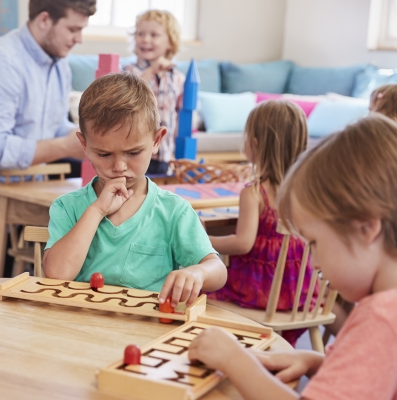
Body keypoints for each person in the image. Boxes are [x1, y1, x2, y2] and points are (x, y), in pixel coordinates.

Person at [188, 114, 397, 400]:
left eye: (314, 243)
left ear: (366, 228)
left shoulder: (381, 318)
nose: (313, 262)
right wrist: (316, 363)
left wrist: (233, 359)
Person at [43, 73, 226, 307]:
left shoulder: (173, 211)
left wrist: (198, 273)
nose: (119, 167)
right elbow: (58, 273)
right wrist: (97, 210)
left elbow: (217, 269)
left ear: (156, 140)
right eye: (104, 154)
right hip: (79, 327)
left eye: (133, 153)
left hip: (145, 331)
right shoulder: (67, 207)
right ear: (84, 146)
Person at [0, 0, 96, 274]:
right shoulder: (0, 61)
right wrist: (65, 145)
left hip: (22, 194)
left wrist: (87, 138)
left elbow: (54, 124)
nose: (79, 39)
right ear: (44, 20)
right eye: (73, 29)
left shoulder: (59, 64)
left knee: (21, 281)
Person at [206, 100, 315, 347]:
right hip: (297, 292)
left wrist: (205, 240)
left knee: (200, 289)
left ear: (255, 144)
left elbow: (242, 243)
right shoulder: (306, 190)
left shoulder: (255, 192)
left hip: (257, 290)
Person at [123, 10, 186, 174]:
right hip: (134, 151)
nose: (145, 39)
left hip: (164, 153)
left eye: (154, 35)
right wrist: (151, 70)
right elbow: (128, 96)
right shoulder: (128, 71)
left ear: (170, 43)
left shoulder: (178, 77)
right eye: (140, 34)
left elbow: (183, 113)